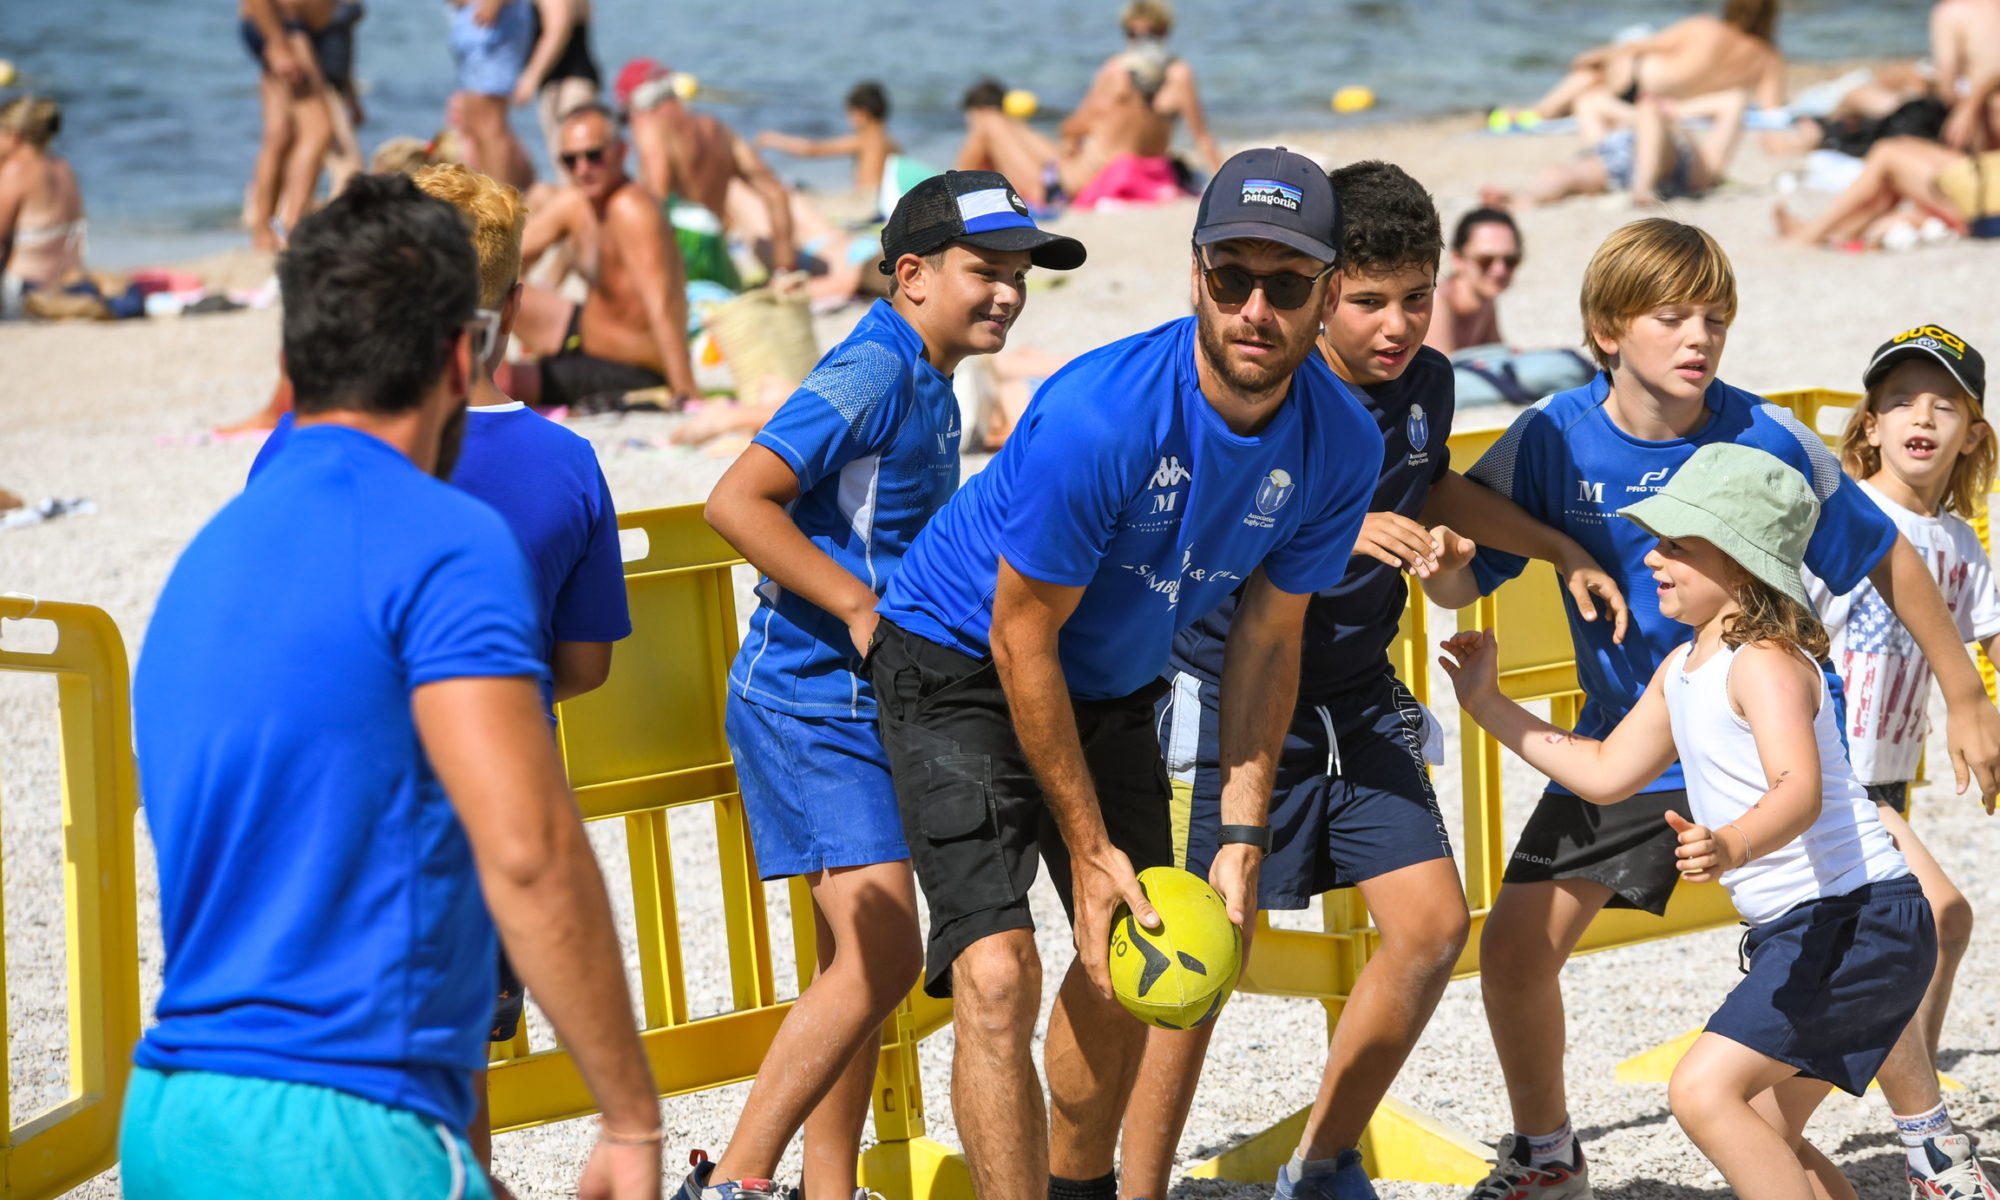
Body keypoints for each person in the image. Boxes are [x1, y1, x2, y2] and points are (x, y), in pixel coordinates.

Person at [119, 172, 659, 1200]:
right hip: (348, 1126)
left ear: (295, 359)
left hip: (174, 1115)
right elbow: (531, 853)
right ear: (465, 354)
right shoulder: (444, 543)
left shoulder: (212, 554)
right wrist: (630, 1120)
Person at [868, 147, 1380, 1200]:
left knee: (1128, 973)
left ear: (1324, 294)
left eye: (1283, 286)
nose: (1252, 308)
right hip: (955, 659)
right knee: (997, 974)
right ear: (1193, 272)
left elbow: (1267, 641)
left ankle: (1080, 1189)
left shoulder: (1340, 444)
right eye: (1228, 276)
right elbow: (1020, 637)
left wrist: (1239, 838)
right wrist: (1091, 846)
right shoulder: (1104, 417)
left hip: (1105, 687)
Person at [1455, 217, 2000, 1198]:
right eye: (1672, 317)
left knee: (1902, 913)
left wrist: (1962, 689)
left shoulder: (1763, 432)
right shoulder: (1551, 435)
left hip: (1765, 739)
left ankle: (1928, 1143)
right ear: (1606, 328)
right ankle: (1547, 1154)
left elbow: (1881, 552)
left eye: (1714, 317)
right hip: (1637, 737)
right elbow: (1463, 545)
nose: (1698, 337)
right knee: (1510, 949)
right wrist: (1508, 564)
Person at [1123, 161, 1630, 1200]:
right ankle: (1129, 1188)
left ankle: (1320, 1163)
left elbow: (1431, 480)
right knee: (1203, 961)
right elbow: (1203, 522)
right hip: (1226, 698)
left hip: (1355, 696)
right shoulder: (1264, 386)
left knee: (1434, 927)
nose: (1395, 325)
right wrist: (1341, 528)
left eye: (1415, 295)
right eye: (1366, 301)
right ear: (1314, 290)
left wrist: (1550, 549)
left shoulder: (1425, 382)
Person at [689, 171, 1084, 1200]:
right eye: (983, 272)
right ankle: (733, 1182)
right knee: (881, 954)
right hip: (812, 699)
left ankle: (830, 1188)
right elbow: (736, 501)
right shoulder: (872, 367)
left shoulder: (931, 373)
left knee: (852, 969)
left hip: (877, 699)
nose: (1005, 293)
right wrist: (861, 610)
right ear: (909, 275)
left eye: (1017, 277)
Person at [1443, 442, 1936, 1200]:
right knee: (1761, 1128)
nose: (1652, 558)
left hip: (1858, 919)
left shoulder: (1765, 661)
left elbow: (1797, 789)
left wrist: (1733, 841)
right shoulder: (1683, 668)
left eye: (1676, 544)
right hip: (1816, 928)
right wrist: (1487, 703)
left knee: (1703, 1094)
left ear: (1740, 561)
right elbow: (1605, 773)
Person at [1809, 326, 2000, 1197]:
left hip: (1886, 777)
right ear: (1870, 425)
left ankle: (1897, 1090)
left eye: (1945, 401)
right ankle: (1925, 1138)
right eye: (1898, 398)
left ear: (1972, 434)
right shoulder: (1845, 519)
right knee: (1939, 915)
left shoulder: (1961, 547)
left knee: (1892, 942)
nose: (1920, 414)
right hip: (1825, 771)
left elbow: (1987, 647)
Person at [510, 102, 700, 410]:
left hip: (629, 367)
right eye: (570, 160)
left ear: (621, 151)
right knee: (477, 280)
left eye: (594, 155)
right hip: (582, 331)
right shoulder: (577, 202)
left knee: (495, 384)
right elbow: (502, 255)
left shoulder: (631, 208)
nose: (583, 169)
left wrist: (686, 391)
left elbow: (662, 304)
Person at [617, 58, 797, 275]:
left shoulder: (649, 127)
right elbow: (776, 194)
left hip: (682, 264)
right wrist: (784, 269)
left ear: (640, 102)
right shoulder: (721, 131)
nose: (631, 123)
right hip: (719, 262)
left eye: (627, 116)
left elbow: (659, 204)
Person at [1774, 79, 2000, 248]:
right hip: (1989, 175)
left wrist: (1972, 104)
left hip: (1988, 201)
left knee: (1887, 154)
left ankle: (1810, 236)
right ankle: (1837, 232)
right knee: (1903, 145)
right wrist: (1971, 106)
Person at [1501, 0, 1784, 126]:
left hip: (1640, 77)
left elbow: (1644, 44)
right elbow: (1772, 111)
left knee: (1591, 74)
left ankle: (1538, 112)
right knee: (1592, 86)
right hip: (1665, 100)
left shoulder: (1704, 26)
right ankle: (1544, 112)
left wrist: (1601, 53)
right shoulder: (1769, 58)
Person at [1056, 0, 1222, 209]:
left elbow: (1075, 126)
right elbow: (1202, 138)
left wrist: (1069, 138)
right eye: (1132, 33)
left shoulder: (1116, 71)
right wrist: (1224, 184)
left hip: (1101, 174)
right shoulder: (1180, 73)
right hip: (1150, 174)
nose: (1139, 40)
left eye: (1145, 34)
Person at [240, 0, 365, 250]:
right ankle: (295, 229)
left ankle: (264, 234)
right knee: (320, 129)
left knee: (280, 133)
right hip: (284, 28)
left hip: (285, 28)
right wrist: (277, 43)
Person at [1502, 89, 1750, 207]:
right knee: (1568, 172)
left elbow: (1735, 100)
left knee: (1644, 111)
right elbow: (1589, 102)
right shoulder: (1656, 119)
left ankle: (1642, 187)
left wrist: (1666, 112)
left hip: (1665, 164)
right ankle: (1525, 198)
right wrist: (1651, 116)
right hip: (1620, 153)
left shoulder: (1707, 163)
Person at [0, 95, 85, 317]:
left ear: (14, 136)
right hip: (68, 286)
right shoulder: (63, 167)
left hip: (26, 292)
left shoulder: (15, 171)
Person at [755, 81, 901, 198]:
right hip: (879, 199)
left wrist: (772, 139)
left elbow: (813, 149)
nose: (849, 118)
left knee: (790, 185)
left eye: (850, 113)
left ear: (862, 114)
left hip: (864, 200)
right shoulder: (893, 144)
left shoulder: (865, 139)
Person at [447, 0, 535, 189]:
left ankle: (501, 204)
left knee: (491, 125)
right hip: (474, 30)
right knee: (473, 123)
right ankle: (489, 197)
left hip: (493, 33)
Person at [516, 0, 601, 178]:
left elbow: (558, 29)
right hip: (573, 81)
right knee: (578, 164)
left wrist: (531, 77)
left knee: (571, 164)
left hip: (568, 85)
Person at [1427, 208, 1519, 355]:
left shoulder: (1485, 301)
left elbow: (1500, 355)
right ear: (1457, 259)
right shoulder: (1436, 302)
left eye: (1510, 261)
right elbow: (1443, 373)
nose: (1500, 270)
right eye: (1485, 261)